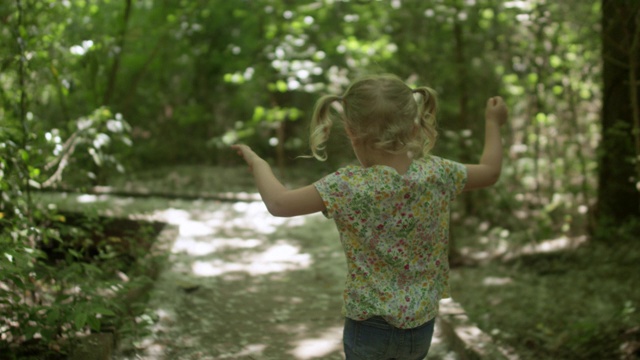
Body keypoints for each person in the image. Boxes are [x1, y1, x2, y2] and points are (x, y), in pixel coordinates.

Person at [231, 74, 508, 360]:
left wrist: (258, 162)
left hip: (369, 324)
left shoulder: (348, 185)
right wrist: (492, 122)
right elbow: (490, 171)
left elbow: (279, 203)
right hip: (421, 325)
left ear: (350, 131)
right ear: (414, 128)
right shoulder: (438, 173)